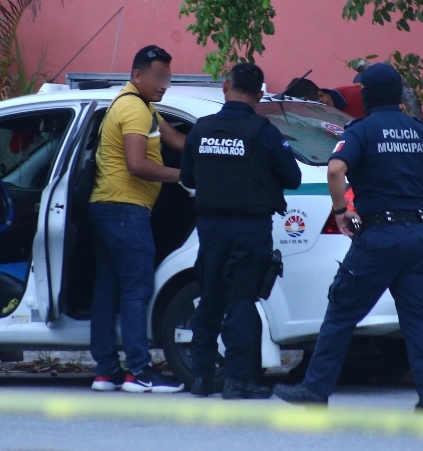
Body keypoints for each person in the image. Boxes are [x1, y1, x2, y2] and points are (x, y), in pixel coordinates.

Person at [273, 63, 423, 412]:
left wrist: (340, 210)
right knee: (416, 320)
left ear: (367, 94)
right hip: (417, 236)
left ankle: (316, 390)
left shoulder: (360, 130)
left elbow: (335, 169)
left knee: (341, 313)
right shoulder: (420, 132)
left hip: (379, 237)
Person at [180, 63, 302, 399]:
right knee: (241, 302)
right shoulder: (264, 132)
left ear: (225, 86)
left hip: (210, 228)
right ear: (260, 95)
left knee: (210, 299)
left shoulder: (201, 130)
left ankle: (201, 379)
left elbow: (188, 178)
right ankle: (237, 381)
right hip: (249, 229)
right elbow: (293, 177)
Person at [89, 45, 187, 394]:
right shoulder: (133, 108)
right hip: (125, 210)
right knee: (136, 290)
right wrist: (186, 178)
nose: (164, 84)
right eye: (158, 77)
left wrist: (212, 143)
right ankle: (139, 372)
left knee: (108, 290)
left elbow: (175, 139)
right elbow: (137, 165)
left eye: (168, 78)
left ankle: (106, 371)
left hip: (107, 207)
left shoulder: (142, 106)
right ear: (137, 76)